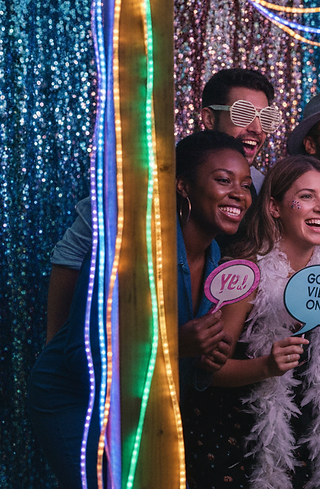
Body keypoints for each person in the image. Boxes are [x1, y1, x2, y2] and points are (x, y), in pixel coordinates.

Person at [29, 130, 249, 489]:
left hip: (141, 406)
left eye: (245, 184)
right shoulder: (129, 247)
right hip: (73, 400)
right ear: (183, 186)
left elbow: (183, 365)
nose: (239, 193)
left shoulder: (215, 263)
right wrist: (176, 346)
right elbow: (81, 354)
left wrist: (206, 361)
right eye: (224, 180)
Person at [46, 68, 278, 342]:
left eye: (266, 118)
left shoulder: (262, 190)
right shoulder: (142, 183)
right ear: (208, 118)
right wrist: (58, 344)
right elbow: (72, 257)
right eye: (243, 114)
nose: (257, 128)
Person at [186, 156, 320, 489]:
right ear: (275, 207)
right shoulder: (247, 274)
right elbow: (209, 372)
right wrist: (265, 366)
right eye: (306, 196)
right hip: (240, 444)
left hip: (307, 443)